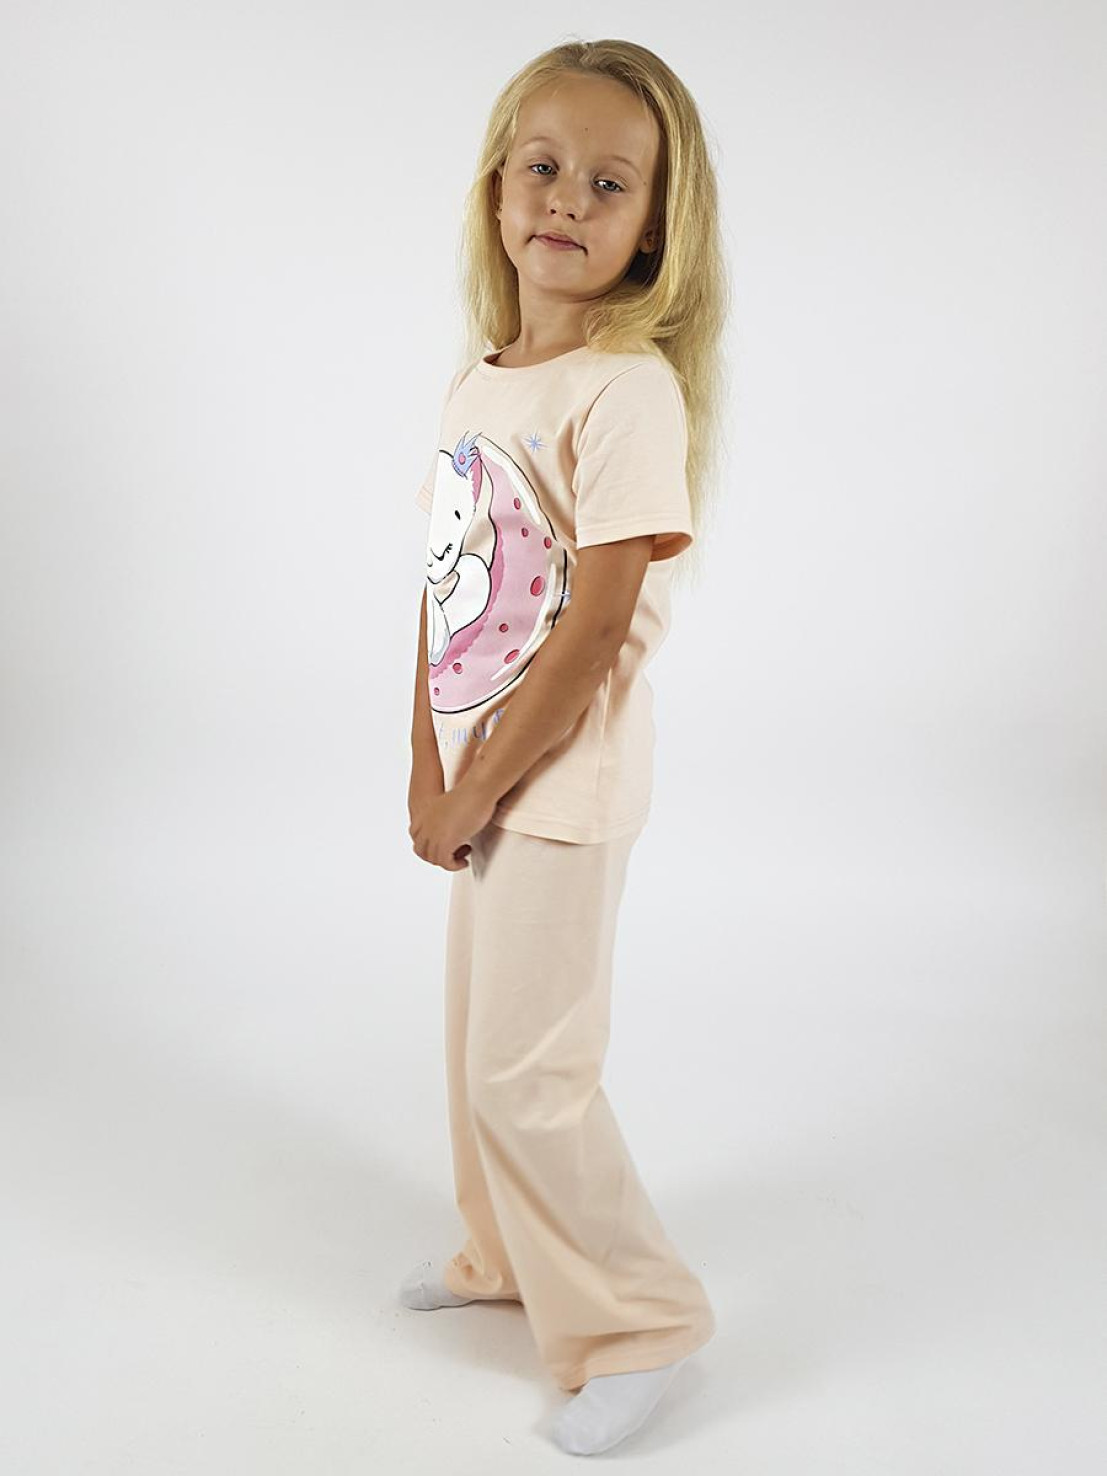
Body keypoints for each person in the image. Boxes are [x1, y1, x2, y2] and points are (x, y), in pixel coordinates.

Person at [403, 38, 730, 1457]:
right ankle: (505, 1255)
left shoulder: (625, 389)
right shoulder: (483, 383)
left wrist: (480, 782)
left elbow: (593, 631)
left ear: (654, 226)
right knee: (473, 1048)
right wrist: (426, 766)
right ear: (495, 191)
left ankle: (642, 1325)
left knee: (526, 1070)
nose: (567, 199)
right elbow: (446, 593)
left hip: (560, 784)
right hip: (486, 779)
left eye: (610, 182)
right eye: (542, 167)